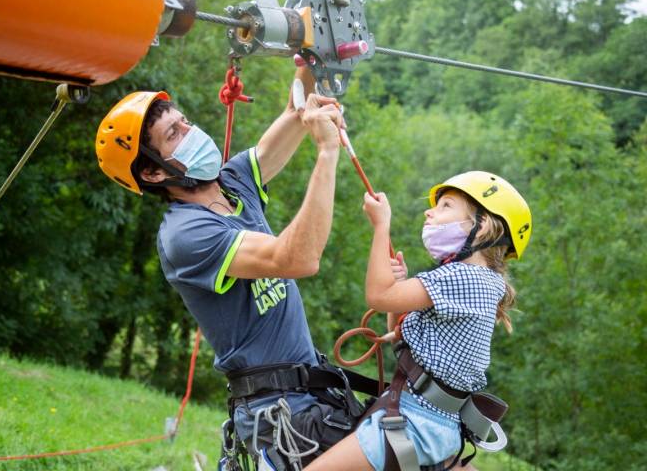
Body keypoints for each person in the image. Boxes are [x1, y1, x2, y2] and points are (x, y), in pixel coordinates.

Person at [94, 69, 365, 469]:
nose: (191, 130)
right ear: (152, 173)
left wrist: (310, 50)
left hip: (313, 394)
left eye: (183, 121)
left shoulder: (233, 182)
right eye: (174, 134)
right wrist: (327, 154)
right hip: (279, 415)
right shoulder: (186, 234)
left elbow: (296, 106)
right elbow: (297, 259)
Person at [304, 171, 532, 471]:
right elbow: (398, 334)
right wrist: (398, 290)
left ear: (482, 226)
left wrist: (381, 226)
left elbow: (377, 295)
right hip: (427, 418)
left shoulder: (466, 278)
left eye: (446, 205)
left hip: (416, 420)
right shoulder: (473, 281)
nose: (430, 211)